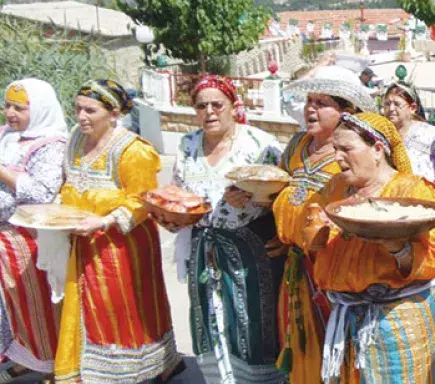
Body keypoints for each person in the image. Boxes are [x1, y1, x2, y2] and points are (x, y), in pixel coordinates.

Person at [157, 75, 286, 383]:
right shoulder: (188, 145)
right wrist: (172, 217)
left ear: (233, 106)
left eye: (218, 104)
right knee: (211, 319)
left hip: (251, 252)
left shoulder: (260, 144)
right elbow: (178, 194)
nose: (210, 112)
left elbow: (284, 196)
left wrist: (276, 227)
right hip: (204, 248)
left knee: (252, 322)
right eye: (202, 106)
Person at [55, 80, 182, 383]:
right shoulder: (75, 138)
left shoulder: (132, 150)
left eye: (90, 110)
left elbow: (143, 201)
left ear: (113, 113)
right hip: (83, 239)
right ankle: (93, 370)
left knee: (122, 308)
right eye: (77, 109)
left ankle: (131, 370)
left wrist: (105, 221)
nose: (81, 116)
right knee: (88, 306)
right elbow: (71, 182)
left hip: (123, 245)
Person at [308, 112, 435, 383]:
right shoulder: (336, 187)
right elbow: (314, 238)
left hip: (397, 319)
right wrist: (317, 226)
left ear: (377, 150)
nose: (337, 158)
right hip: (346, 314)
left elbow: (433, 257)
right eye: (335, 149)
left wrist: (399, 248)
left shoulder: (414, 192)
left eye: (346, 149)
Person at [272, 66, 376, 384]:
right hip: (296, 266)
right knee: (301, 342)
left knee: (338, 348)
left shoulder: (353, 155)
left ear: (346, 111)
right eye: (309, 101)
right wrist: (283, 234)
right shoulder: (297, 145)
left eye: (321, 103)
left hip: (333, 270)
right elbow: (280, 188)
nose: (310, 109)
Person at [0, 79, 67, 381]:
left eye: (19, 108)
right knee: (8, 307)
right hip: (4, 237)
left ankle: (52, 363)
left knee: (36, 306)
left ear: (38, 109)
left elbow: (42, 192)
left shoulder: (51, 144)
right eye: (8, 105)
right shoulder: (6, 136)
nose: (10, 113)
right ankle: (26, 356)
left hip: (26, 241)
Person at [381, 82, 435, 181]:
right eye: (387, 104)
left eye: (397, 104)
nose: (391, 109)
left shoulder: (429, 134)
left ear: (412, 108)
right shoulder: (380, 134)